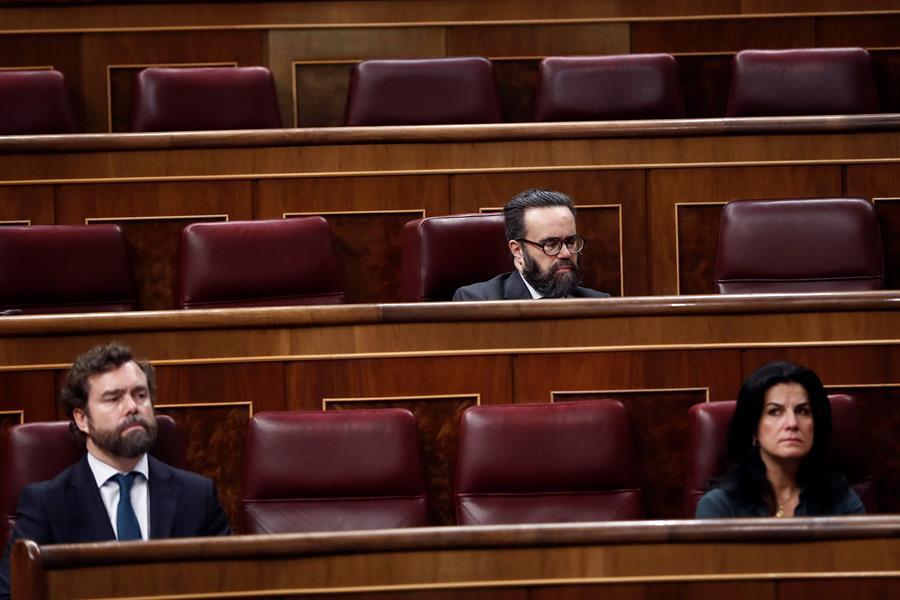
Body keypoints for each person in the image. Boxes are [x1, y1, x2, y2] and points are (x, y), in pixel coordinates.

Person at [0, 342, 230, 598]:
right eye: (114, 398)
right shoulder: (46, 505)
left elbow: (232, 587)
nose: (132, 407)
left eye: (140, 395)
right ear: (82, 419)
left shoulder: (198, 495)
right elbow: (12, 594)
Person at [696, 361, 865, 518]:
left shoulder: (840, 499)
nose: (792, 423)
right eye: (774, 412)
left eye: (803, 411)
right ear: (753, 429)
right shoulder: (719, 507)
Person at [452, 189, 608, 300]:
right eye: (551, 244)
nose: (566, 253)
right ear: (518, 250)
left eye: (571, 242)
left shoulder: (597, 304)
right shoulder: (478, 303)